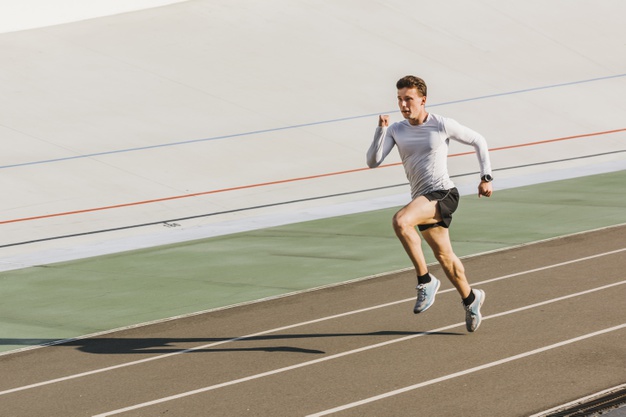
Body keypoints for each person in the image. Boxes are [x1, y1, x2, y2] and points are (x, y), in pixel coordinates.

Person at [366, 75, 493, 332]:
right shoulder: (396, 130)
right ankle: (471, 298)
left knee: (401, 221)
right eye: (400, 99)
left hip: (443, 193)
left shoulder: (441, 124)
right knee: (445, 257)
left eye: (408, 99)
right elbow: (373, 161)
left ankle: (425, 280)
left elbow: (478, 140)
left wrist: (486, 177)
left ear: (423, 100)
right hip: (422, 199)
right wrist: (380, 129)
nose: (403, 105)